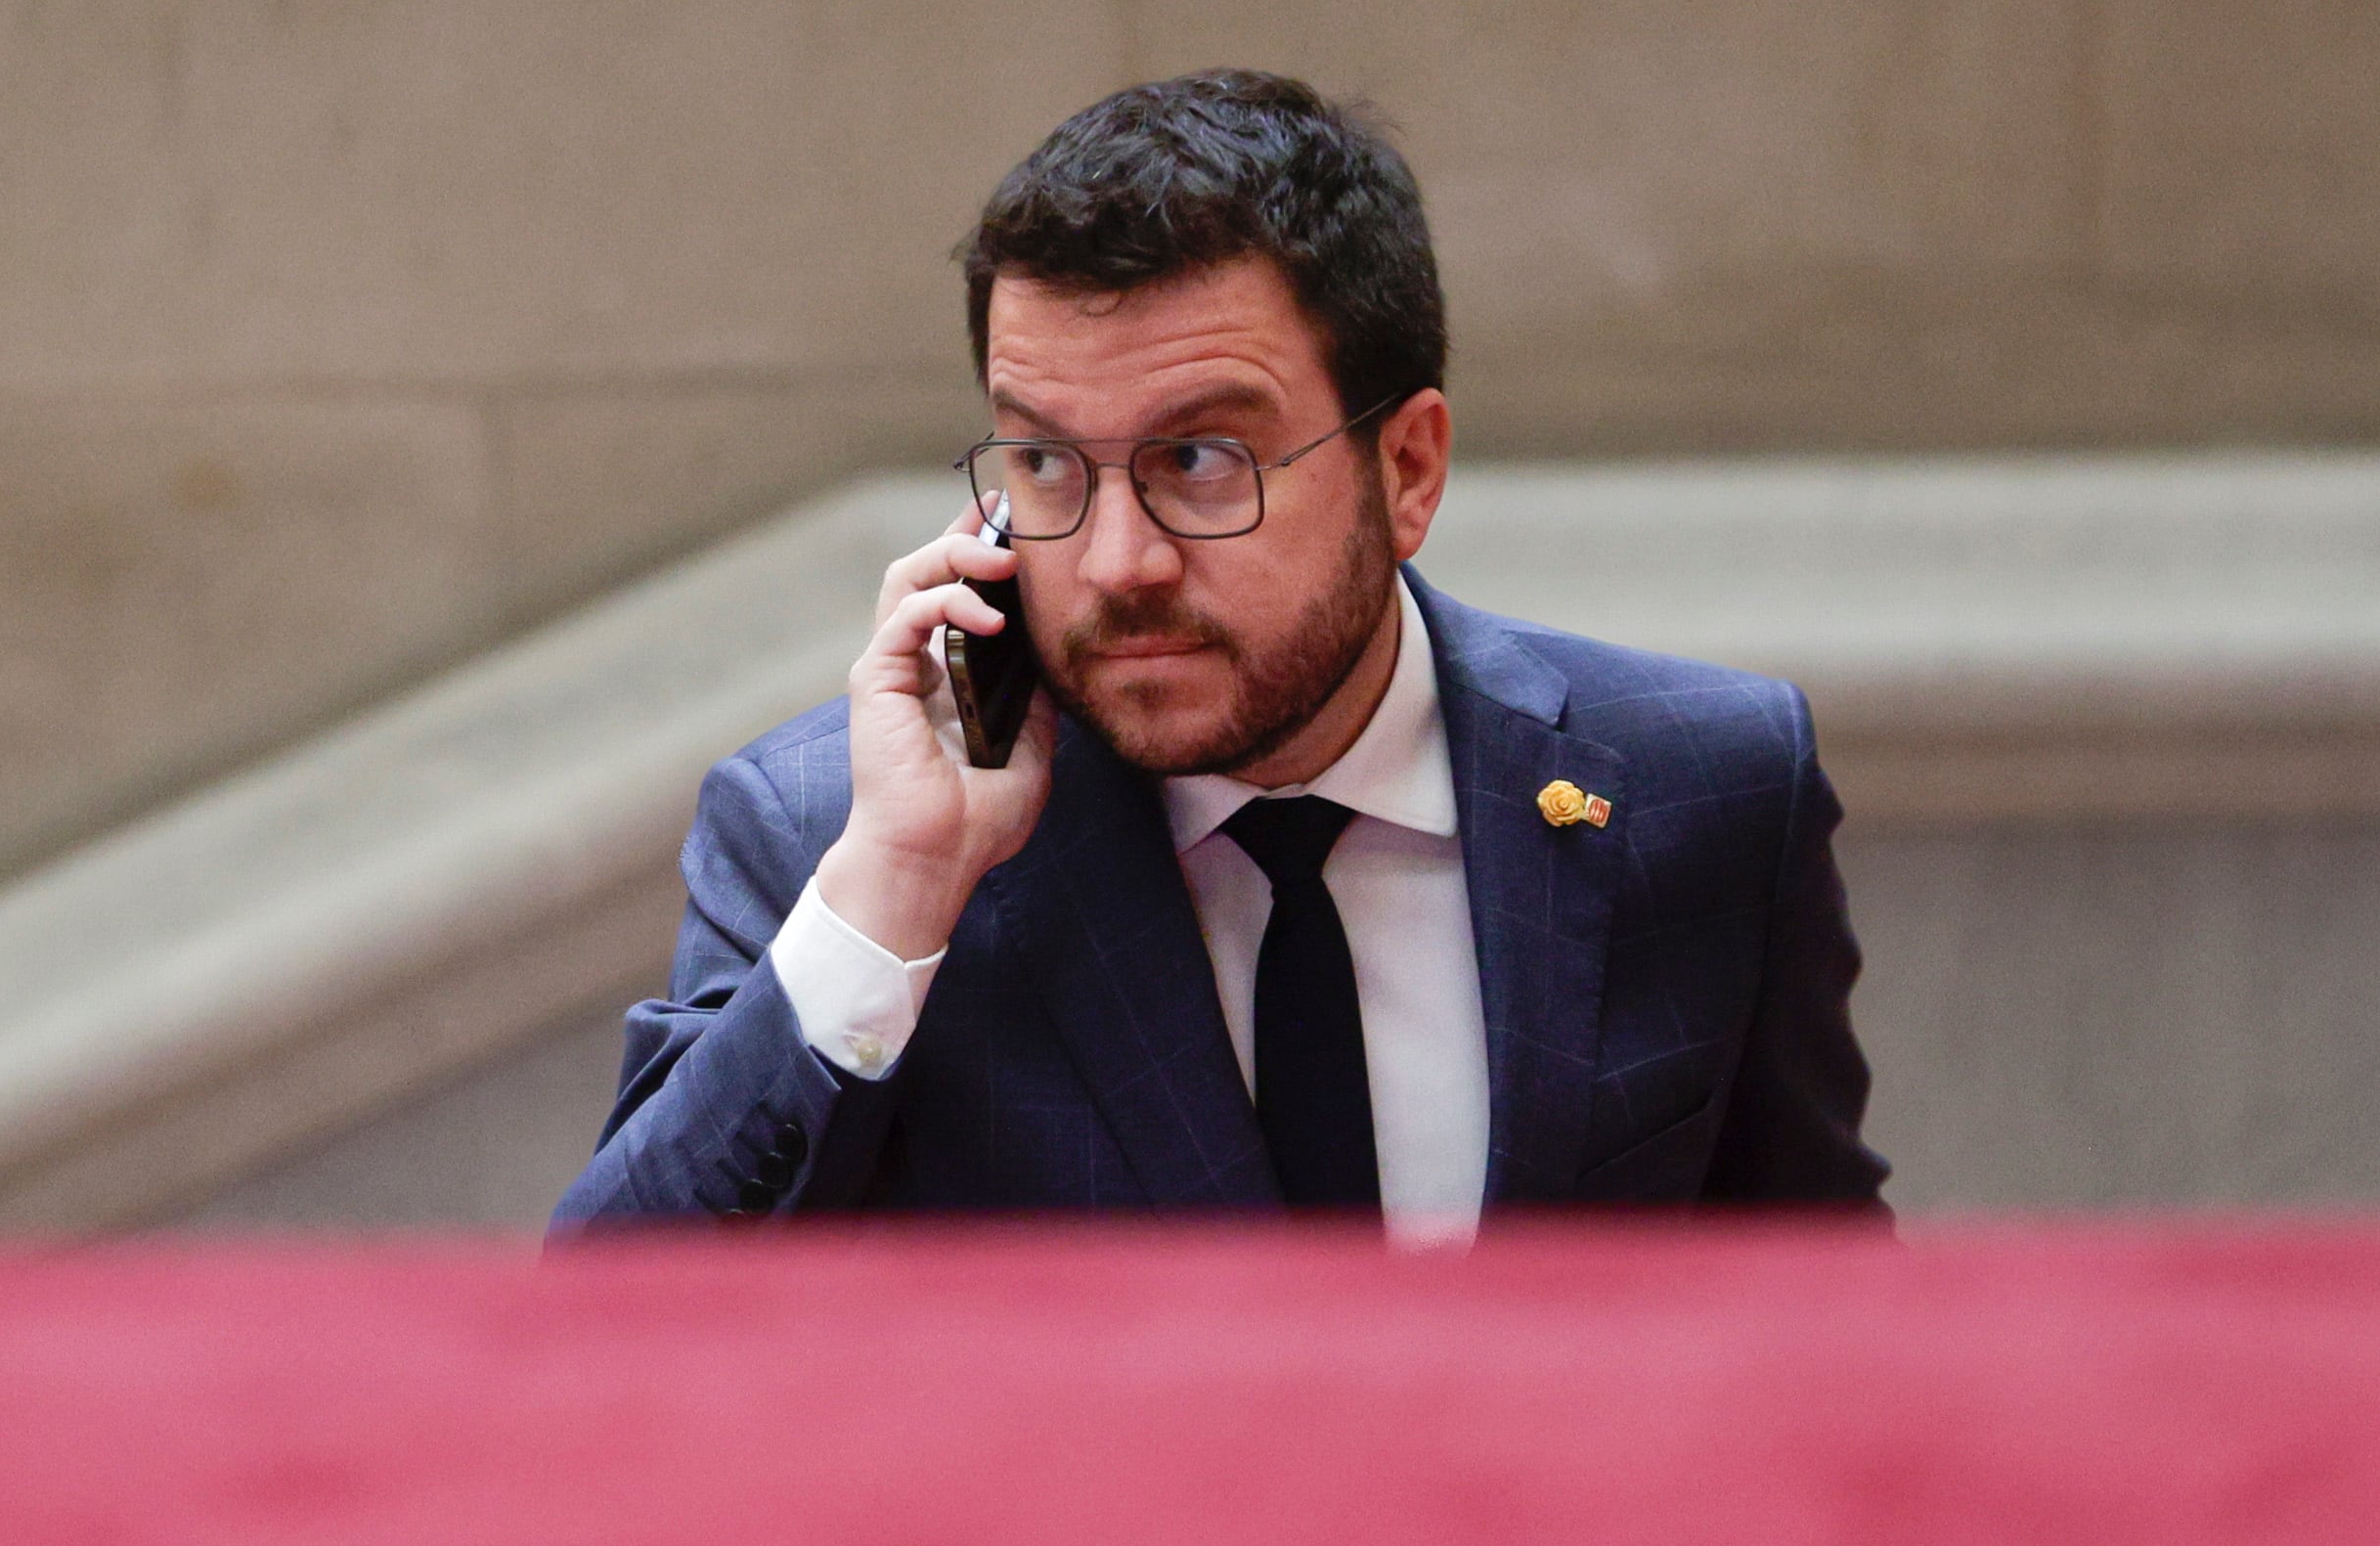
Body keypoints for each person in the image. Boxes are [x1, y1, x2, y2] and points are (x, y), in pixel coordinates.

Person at [551, 71, 1888, 1236]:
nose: (1118, 561)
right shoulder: (842, 840)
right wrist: (897, 889)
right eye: (1046, 463)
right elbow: (605, 1339)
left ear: (1406, 465)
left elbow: (1830, 1333)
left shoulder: (1703, 790)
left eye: (1200, 459)